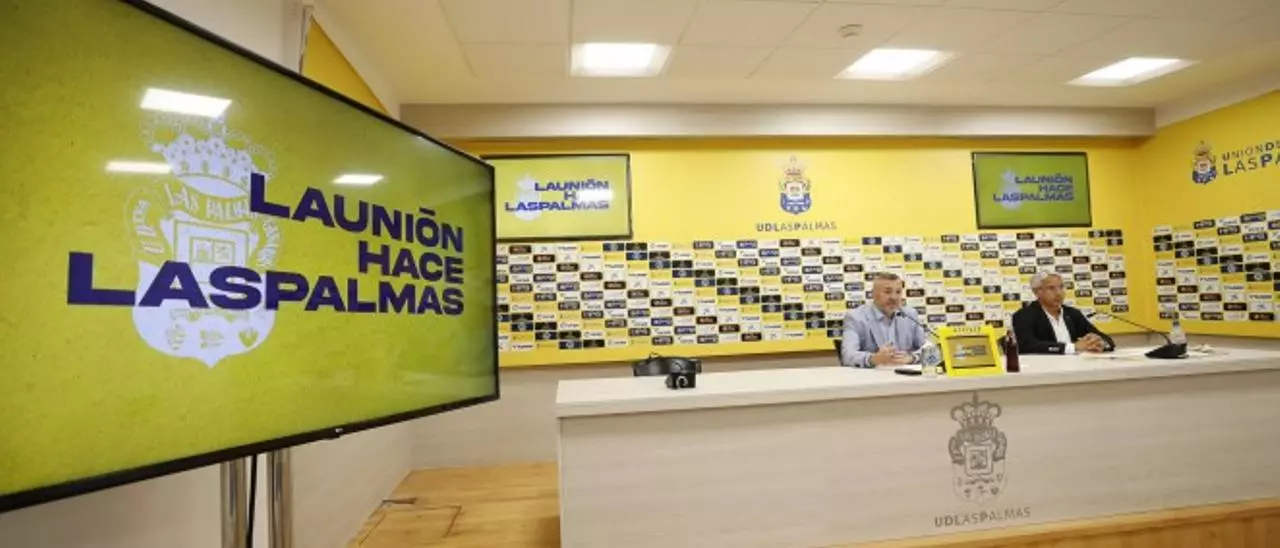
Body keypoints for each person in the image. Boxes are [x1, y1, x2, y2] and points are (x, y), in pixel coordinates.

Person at [1011, 271, 1115, 354]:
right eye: (1051, 288)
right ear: (1037, 292)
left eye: (1061, 287)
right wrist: (1073, 347)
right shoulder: (1024, 316)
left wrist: (1100, 343)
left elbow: (1105, 339)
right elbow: (1027, 346)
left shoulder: (1072, 314)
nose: (1059, 293)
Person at [840, 272, 928, 368]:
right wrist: (873, 359)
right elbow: (848, 355)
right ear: (873, 294)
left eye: (898, 292)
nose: (894, 297)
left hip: (905, 373)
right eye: (887, 292)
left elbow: (929, 349)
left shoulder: (910, 315)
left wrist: (912, 358)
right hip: (873, 375)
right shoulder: (855, 318)